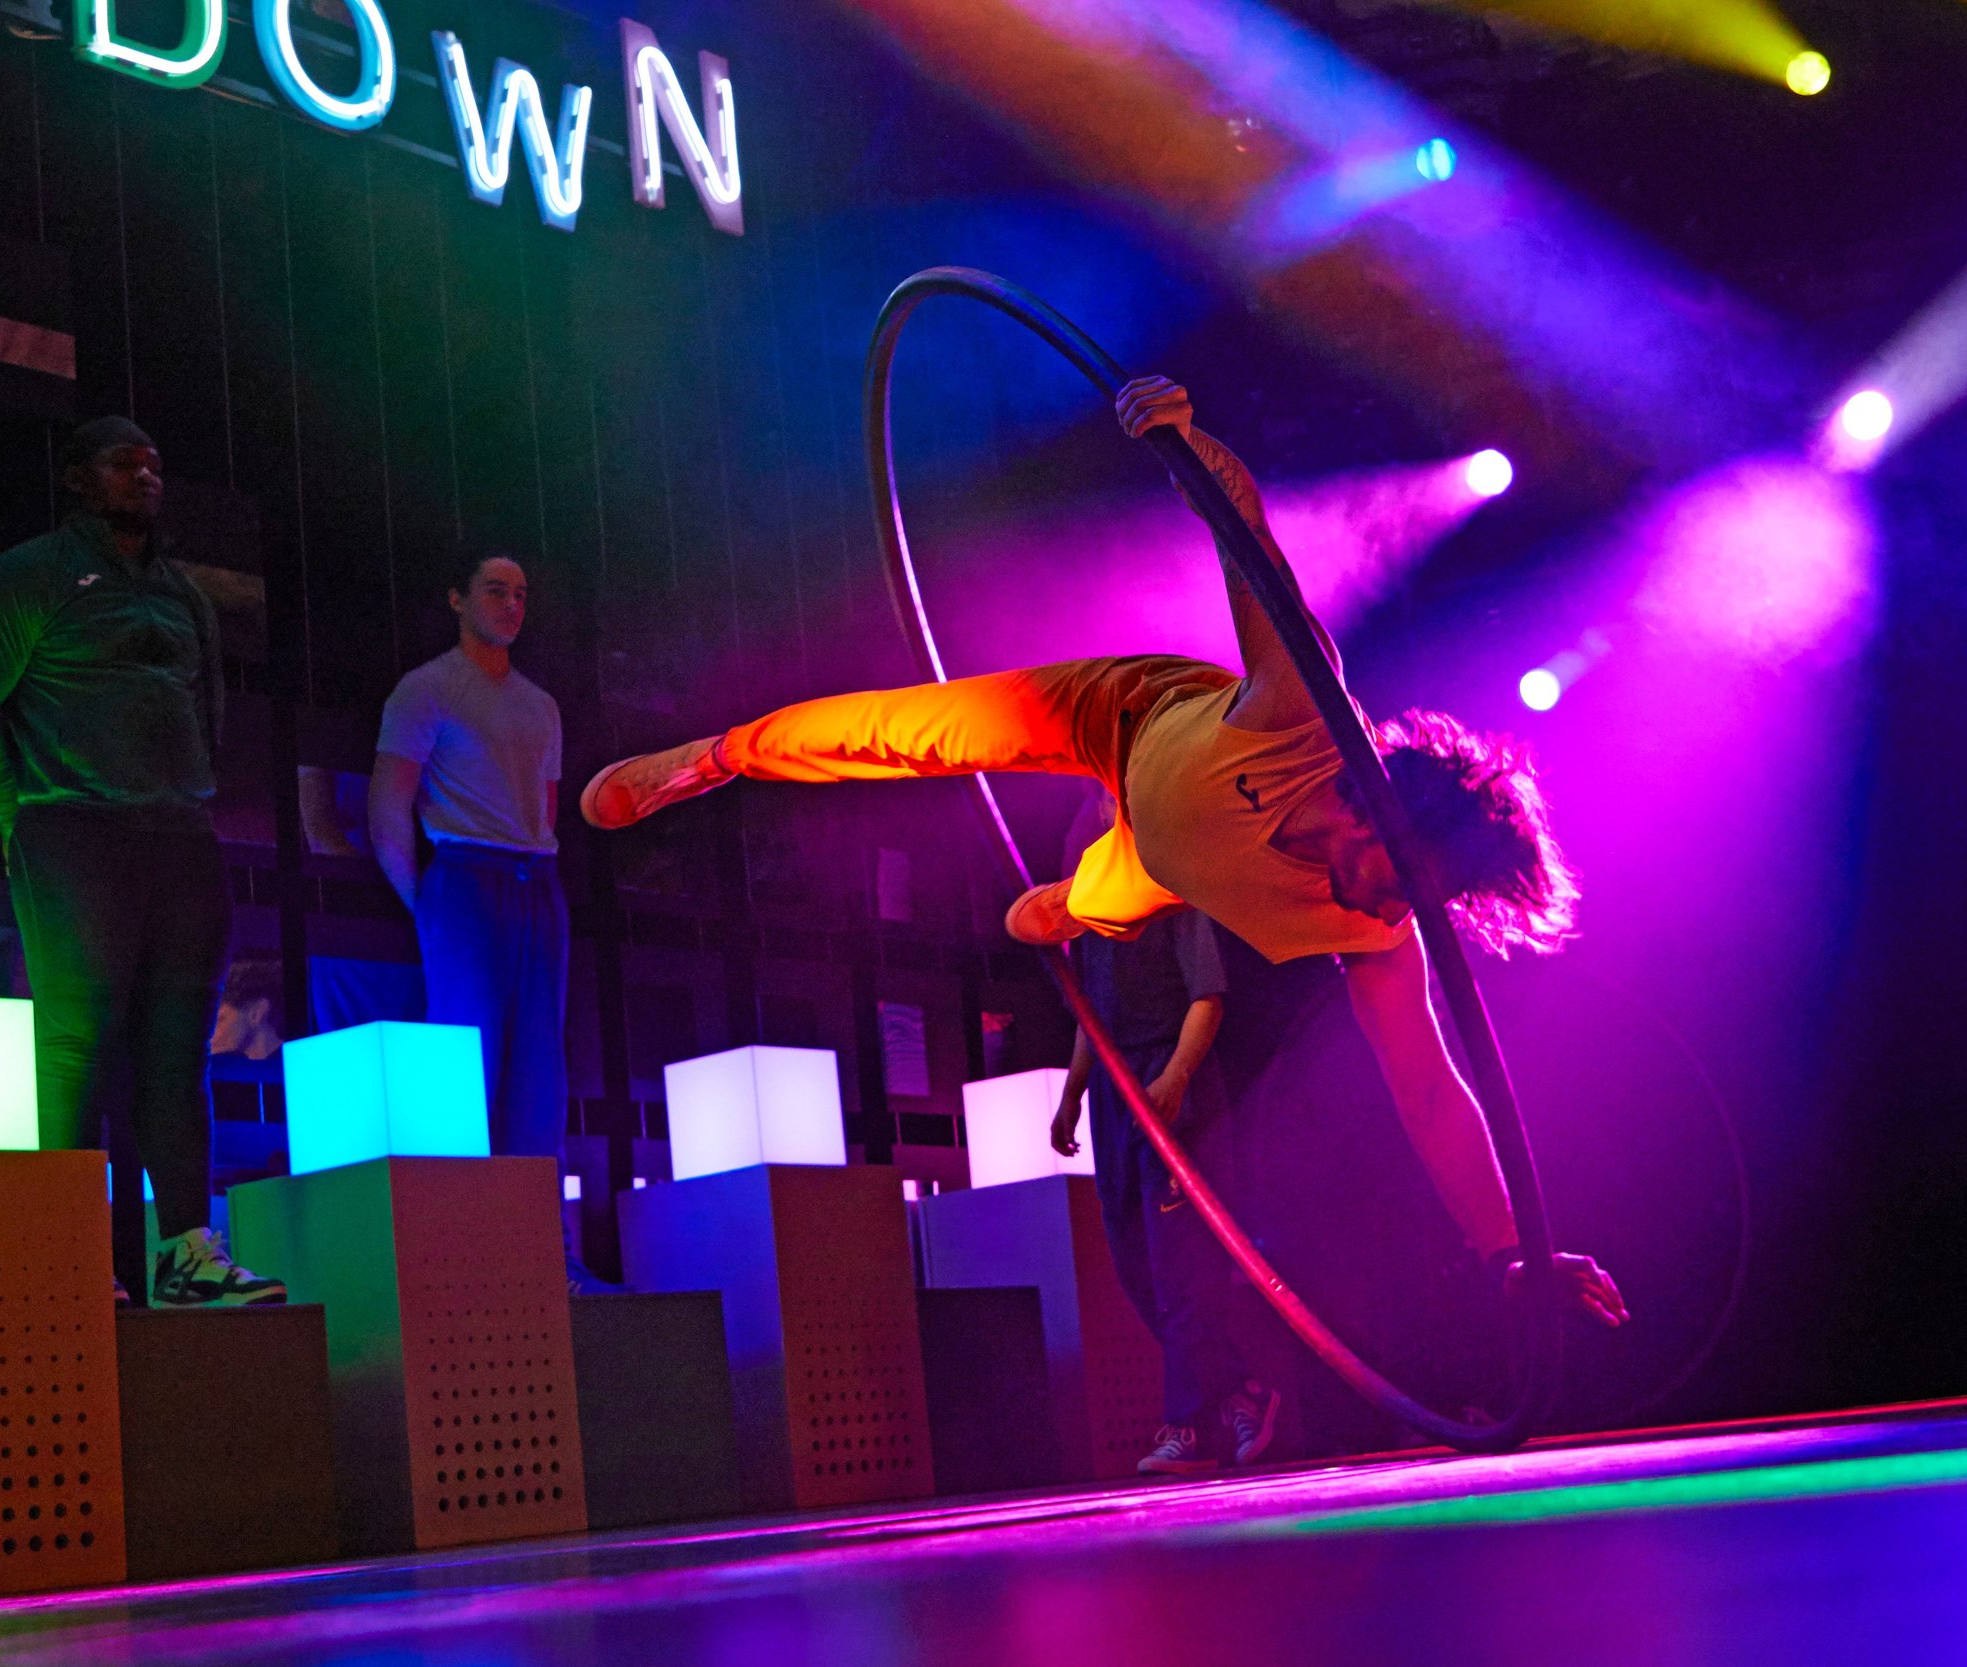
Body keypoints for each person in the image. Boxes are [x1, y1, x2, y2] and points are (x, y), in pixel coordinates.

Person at [581, 377, 1628, 1324]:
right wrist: (1191, 445)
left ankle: (1070, 901)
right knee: (909, 729)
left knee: (1119, 893)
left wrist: (1510, 1252)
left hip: (1166, 863)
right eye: (1407, 881)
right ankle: (716, 756)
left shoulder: (1375, 930)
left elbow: (1433, 1089)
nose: (1401, 912)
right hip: (1126, 718)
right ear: (1370, 812)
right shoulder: (1304, 713)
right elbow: (1254, 556)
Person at [0, 416, 285, 1308]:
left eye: (156, 462)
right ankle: (69, 1254)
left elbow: (207, 711)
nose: (145, 474)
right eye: (124, 463)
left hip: (178, 836)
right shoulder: (33, 574)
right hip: (73, 833)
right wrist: (20, 813)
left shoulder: (181, 594)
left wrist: (183, 794)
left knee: (177, 1049)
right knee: (77, 1044)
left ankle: (185, 1252)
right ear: (77, 479)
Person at [368, 553, 598, 1286]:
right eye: (495, 590)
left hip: (536, 876)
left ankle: (545, 1254)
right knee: (469, 1066)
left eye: (522, 593)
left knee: (540, 1071)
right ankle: (470, 1251)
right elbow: (387, 808)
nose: (511, 604)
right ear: (456, 597)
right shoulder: (427, 688)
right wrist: (428, 904)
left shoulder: (541, 703)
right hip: (466, 875)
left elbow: (547, 807)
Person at [1045, 785, 1284, 1474]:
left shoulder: (1171, 882)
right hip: (1117, 1093)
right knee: (1133, 1264)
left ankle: (1186, 1422)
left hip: (1171, 1083)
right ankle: (1240, 1390)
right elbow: (1089, 1014)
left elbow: (1208, 995)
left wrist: (1176, 1080)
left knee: (1181, 1263)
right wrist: (1071, 1094)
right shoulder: (1090, 901)